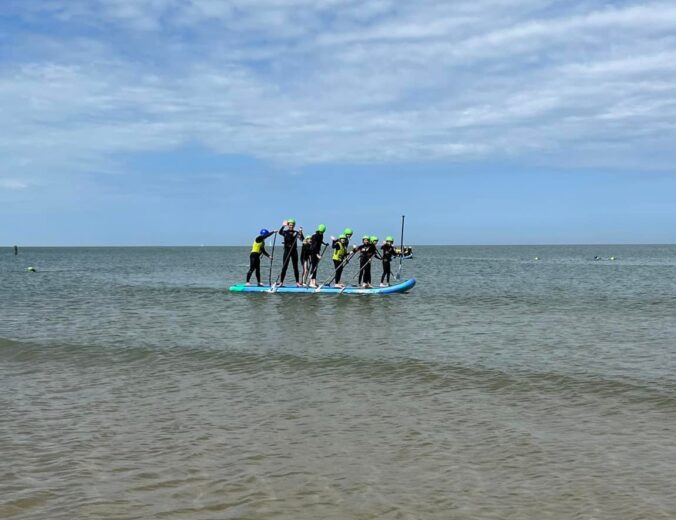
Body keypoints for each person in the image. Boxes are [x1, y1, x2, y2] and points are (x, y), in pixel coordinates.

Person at [278, 218, 304, 286]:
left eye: (292, 225)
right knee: (284, 267)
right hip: (287, 251)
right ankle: (281, 282)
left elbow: (302, 239)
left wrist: (301, 232)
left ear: (294, 225)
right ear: (288, 225)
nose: (291, 226)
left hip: (294, 251)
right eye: (290, 225)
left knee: (295, 267)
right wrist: (283, 226)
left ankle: (297, 282)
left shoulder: (296, 232)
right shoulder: (285, 232)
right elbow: (280, 232)